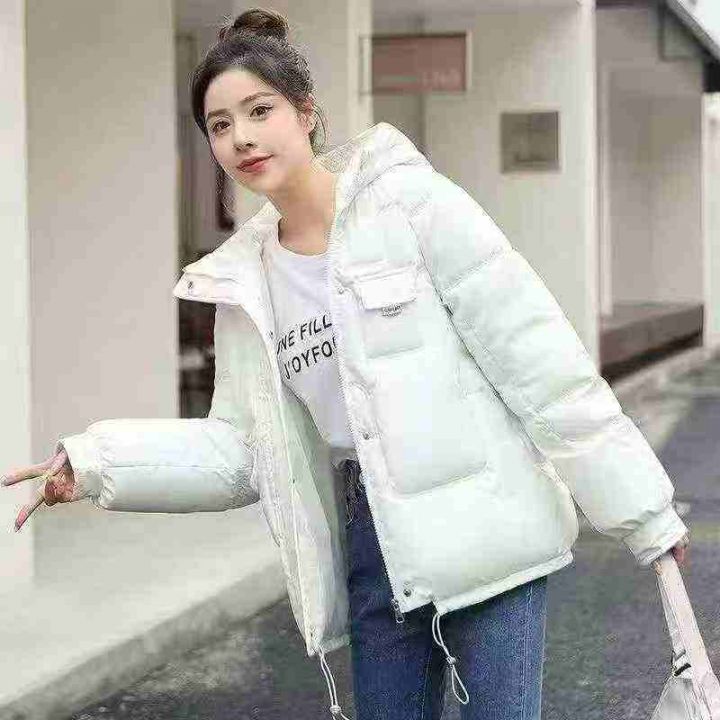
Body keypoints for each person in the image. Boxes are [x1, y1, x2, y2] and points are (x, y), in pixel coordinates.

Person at [1, 8, 691, 720]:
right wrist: (97, 462)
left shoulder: (412, 207)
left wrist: (646, 516)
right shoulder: (243, 285)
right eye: (219, 124)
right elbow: (241, 451)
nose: (242, 137)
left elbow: (541, 365)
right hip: (372, 540)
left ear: (305, 112)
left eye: (259, 111)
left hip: (488, 534)